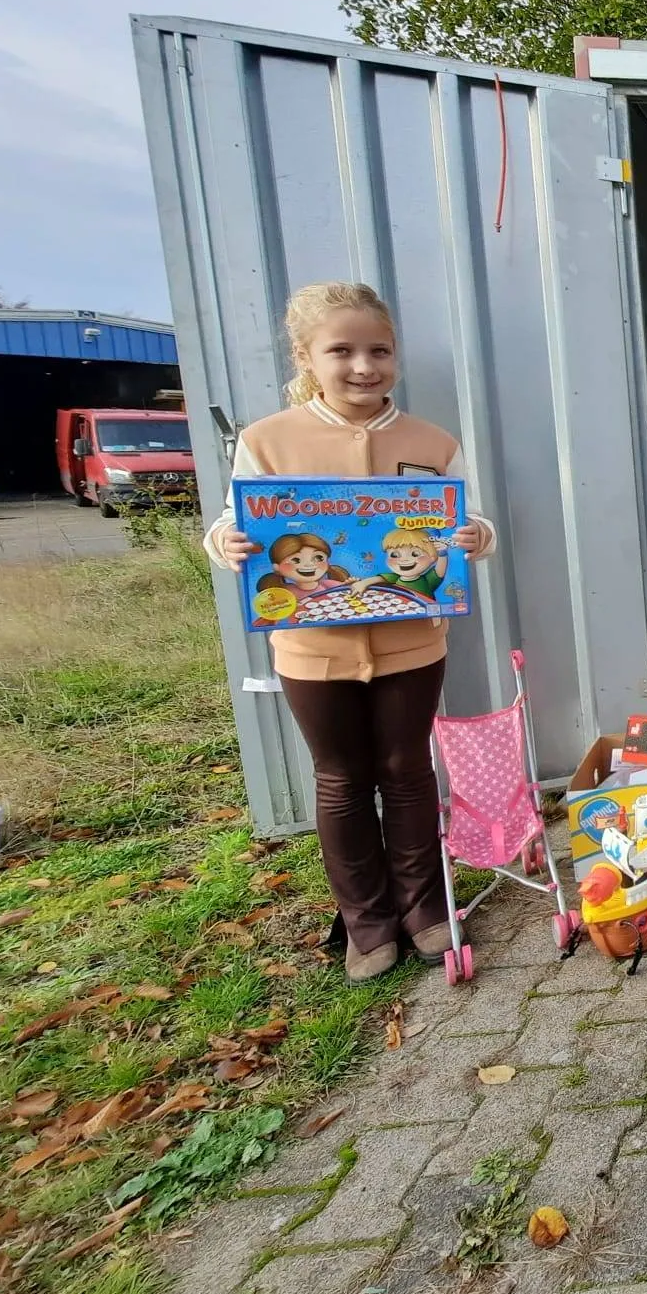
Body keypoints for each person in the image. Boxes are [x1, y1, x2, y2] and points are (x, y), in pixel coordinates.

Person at [204, 282, 496, 982]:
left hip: (411, 645)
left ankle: (424, 909)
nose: (364, 366)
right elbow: (227, 523)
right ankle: (367, 923)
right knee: (340, 780)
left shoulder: (431, 442)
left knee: (406, 772)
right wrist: (227, 543)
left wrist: (473, 534)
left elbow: (472, 526)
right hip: (312, 652)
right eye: (343, 351)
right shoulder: (267, 441)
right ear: (308, 355)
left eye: (379, 351)